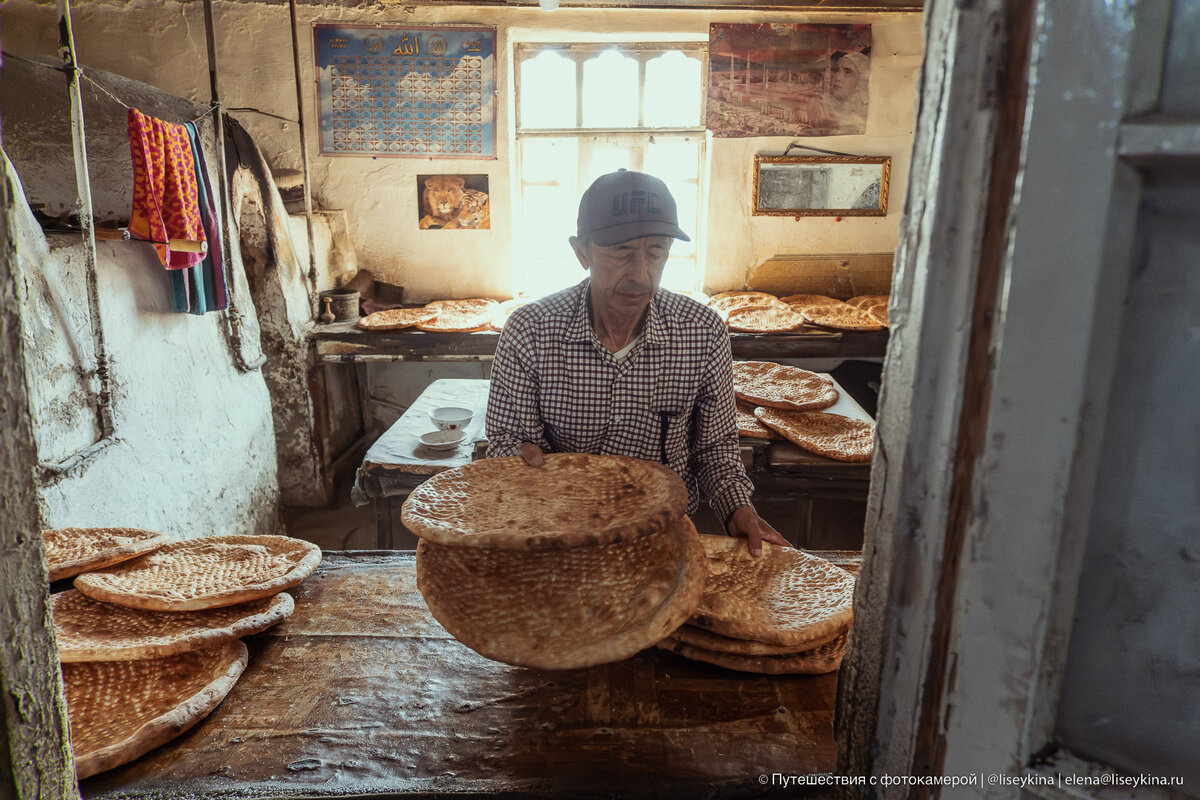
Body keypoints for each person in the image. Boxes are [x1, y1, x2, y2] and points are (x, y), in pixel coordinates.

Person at [485, 169, 790, 557]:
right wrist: (518, 459)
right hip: (561, 534)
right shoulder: (531, 331)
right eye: (621, 253)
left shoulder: (701, 331)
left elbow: (713, 447)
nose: (641, 275)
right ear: (582, 252)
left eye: (656, 252)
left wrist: (736, 507)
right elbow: (509, 441)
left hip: (662, 533)